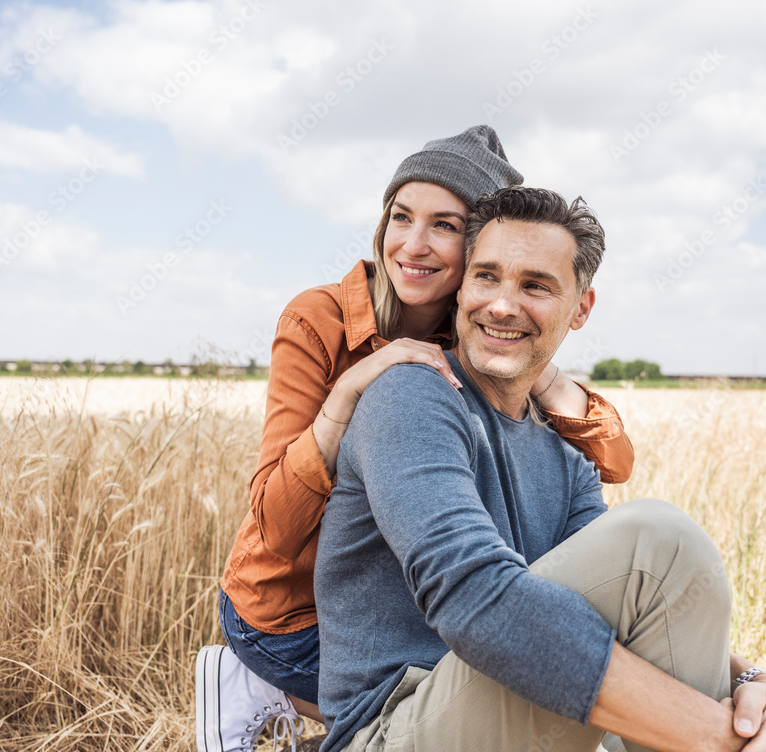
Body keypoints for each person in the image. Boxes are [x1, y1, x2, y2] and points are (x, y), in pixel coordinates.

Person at [196, 128, 636, 752]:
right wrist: (348, 397)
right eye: (401, 217)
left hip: (395, 604)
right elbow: (273, 523)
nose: (414, 244)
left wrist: (547, 374)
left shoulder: (482, 337)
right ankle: (258, 686)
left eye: (445, 226)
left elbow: (614, 463)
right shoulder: (318, 318)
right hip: (294, 617)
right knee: (481, 688)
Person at [314, 186, 766, 752]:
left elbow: (632, 615)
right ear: (461, 289)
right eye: (486, 277)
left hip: (523, 714)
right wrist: (716, 736)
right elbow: (472, 596)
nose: (502, 304)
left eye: (535, 285)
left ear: (581, 308)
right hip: (392, 732)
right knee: (660, 541)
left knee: (669, 567)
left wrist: (747, 678)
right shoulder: (411, 396)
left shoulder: (568, 461)